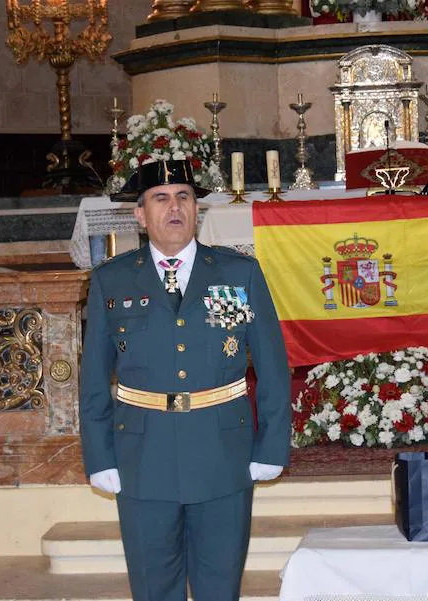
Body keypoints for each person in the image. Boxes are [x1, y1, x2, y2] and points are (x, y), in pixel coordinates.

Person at [79, 158, 291, 601]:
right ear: (140, 214)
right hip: (142, 456)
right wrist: (99, 457)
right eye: (160, 198)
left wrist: (270, 447)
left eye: (183, 197)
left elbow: (272, 365)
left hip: (223, 453)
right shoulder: (111, 281)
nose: (173, 207)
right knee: (154, 589)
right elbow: (94, 380)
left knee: (220, 587)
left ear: (197, 210)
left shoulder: (238, 273)